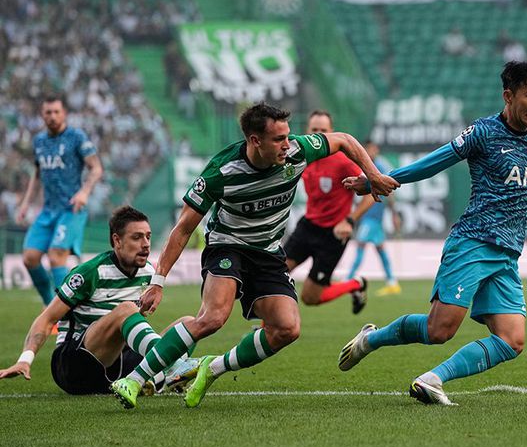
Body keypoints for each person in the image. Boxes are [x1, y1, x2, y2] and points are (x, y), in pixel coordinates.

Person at [110, 104, 398, 409]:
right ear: (254, 140)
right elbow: (182, 229)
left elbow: (344, 140)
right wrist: (158, 281)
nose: (288, 145)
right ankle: (134, 379)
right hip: (227, 246)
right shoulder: (221, 172)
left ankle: (212, 368)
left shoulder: (298, 150)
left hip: (269, 251)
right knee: (213, 318)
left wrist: (374, 175)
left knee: (288, 329)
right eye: (278, 139)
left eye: (288, 136)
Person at [338, 61, 527, 406]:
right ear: (508, 96)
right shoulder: (483, 132)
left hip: (508, 254)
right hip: (474, 242)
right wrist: (380, 178)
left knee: (512, 340)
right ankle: (371, 339)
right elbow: (437, 160)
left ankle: (432, 379)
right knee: (440, 331)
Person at [0, 206, 197, 395]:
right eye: (136, 237)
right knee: (127, 309)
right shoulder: (89, 272)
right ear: (117, 240)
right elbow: (47, 319)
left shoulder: (149, 274)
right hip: (74, 365)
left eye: (148, 236)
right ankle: (171, 370)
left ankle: (148, 380)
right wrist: (25, 359)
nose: (145, 244)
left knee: (188, 325)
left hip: (117, 361)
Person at [284, 111, 376, 313]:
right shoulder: (300, 156)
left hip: (333, 234)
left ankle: (356, 284)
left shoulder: (343, 160)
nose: (317, 134)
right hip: (308, 226)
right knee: (276, 273)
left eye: (323, 130)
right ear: (307, 130)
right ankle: (268, 326)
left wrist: (350, 221)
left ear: (331, 132)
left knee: (310, 297)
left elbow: (372, 193)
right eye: (314, 130)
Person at [15, 96, 103, 306]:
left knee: (56, 256)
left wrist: (84, 192)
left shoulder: (76, 137)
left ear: (64, 113)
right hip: (48, 211)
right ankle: (50, 306)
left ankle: (64, 313)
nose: (52, 116)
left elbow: (97, 168)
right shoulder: (39, 141)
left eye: (56, 112)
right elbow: (37, 173)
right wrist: (26, 203)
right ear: (42, 115)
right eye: (48, 112)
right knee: (30, 258)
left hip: (71, 209)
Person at [345, 140, 402, 296]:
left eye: (374, 148)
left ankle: (348, 280)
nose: (372, 151)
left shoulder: (380, 167)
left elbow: (390, 191)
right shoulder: (364, 167)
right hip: (369, 217)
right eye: (369, 148)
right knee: (380, 250)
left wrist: (394, 214)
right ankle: (392, 281)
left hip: (373, 216)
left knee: (360, 246)